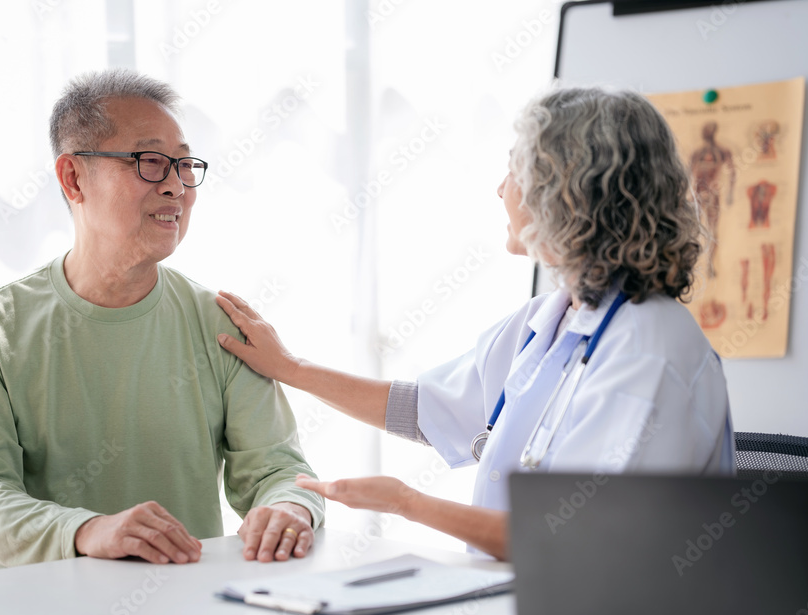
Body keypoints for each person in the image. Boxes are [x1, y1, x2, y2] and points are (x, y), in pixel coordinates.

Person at [215, 87, 734, 561]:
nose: (500, 188)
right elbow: (422, 409)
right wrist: (291, 368)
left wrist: (405, 502)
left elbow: (580, 540)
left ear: (566, 195)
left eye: (516, 170)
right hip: (520, 607)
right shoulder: (548, 319)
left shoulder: (650, 351)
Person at [0, 69, 323, 570]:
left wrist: (289, 507)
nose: (177, 187)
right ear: (74, 178)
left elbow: (278, 468)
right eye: (152, 163)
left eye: (185, 165)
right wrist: (88, 530)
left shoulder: (221, 325)